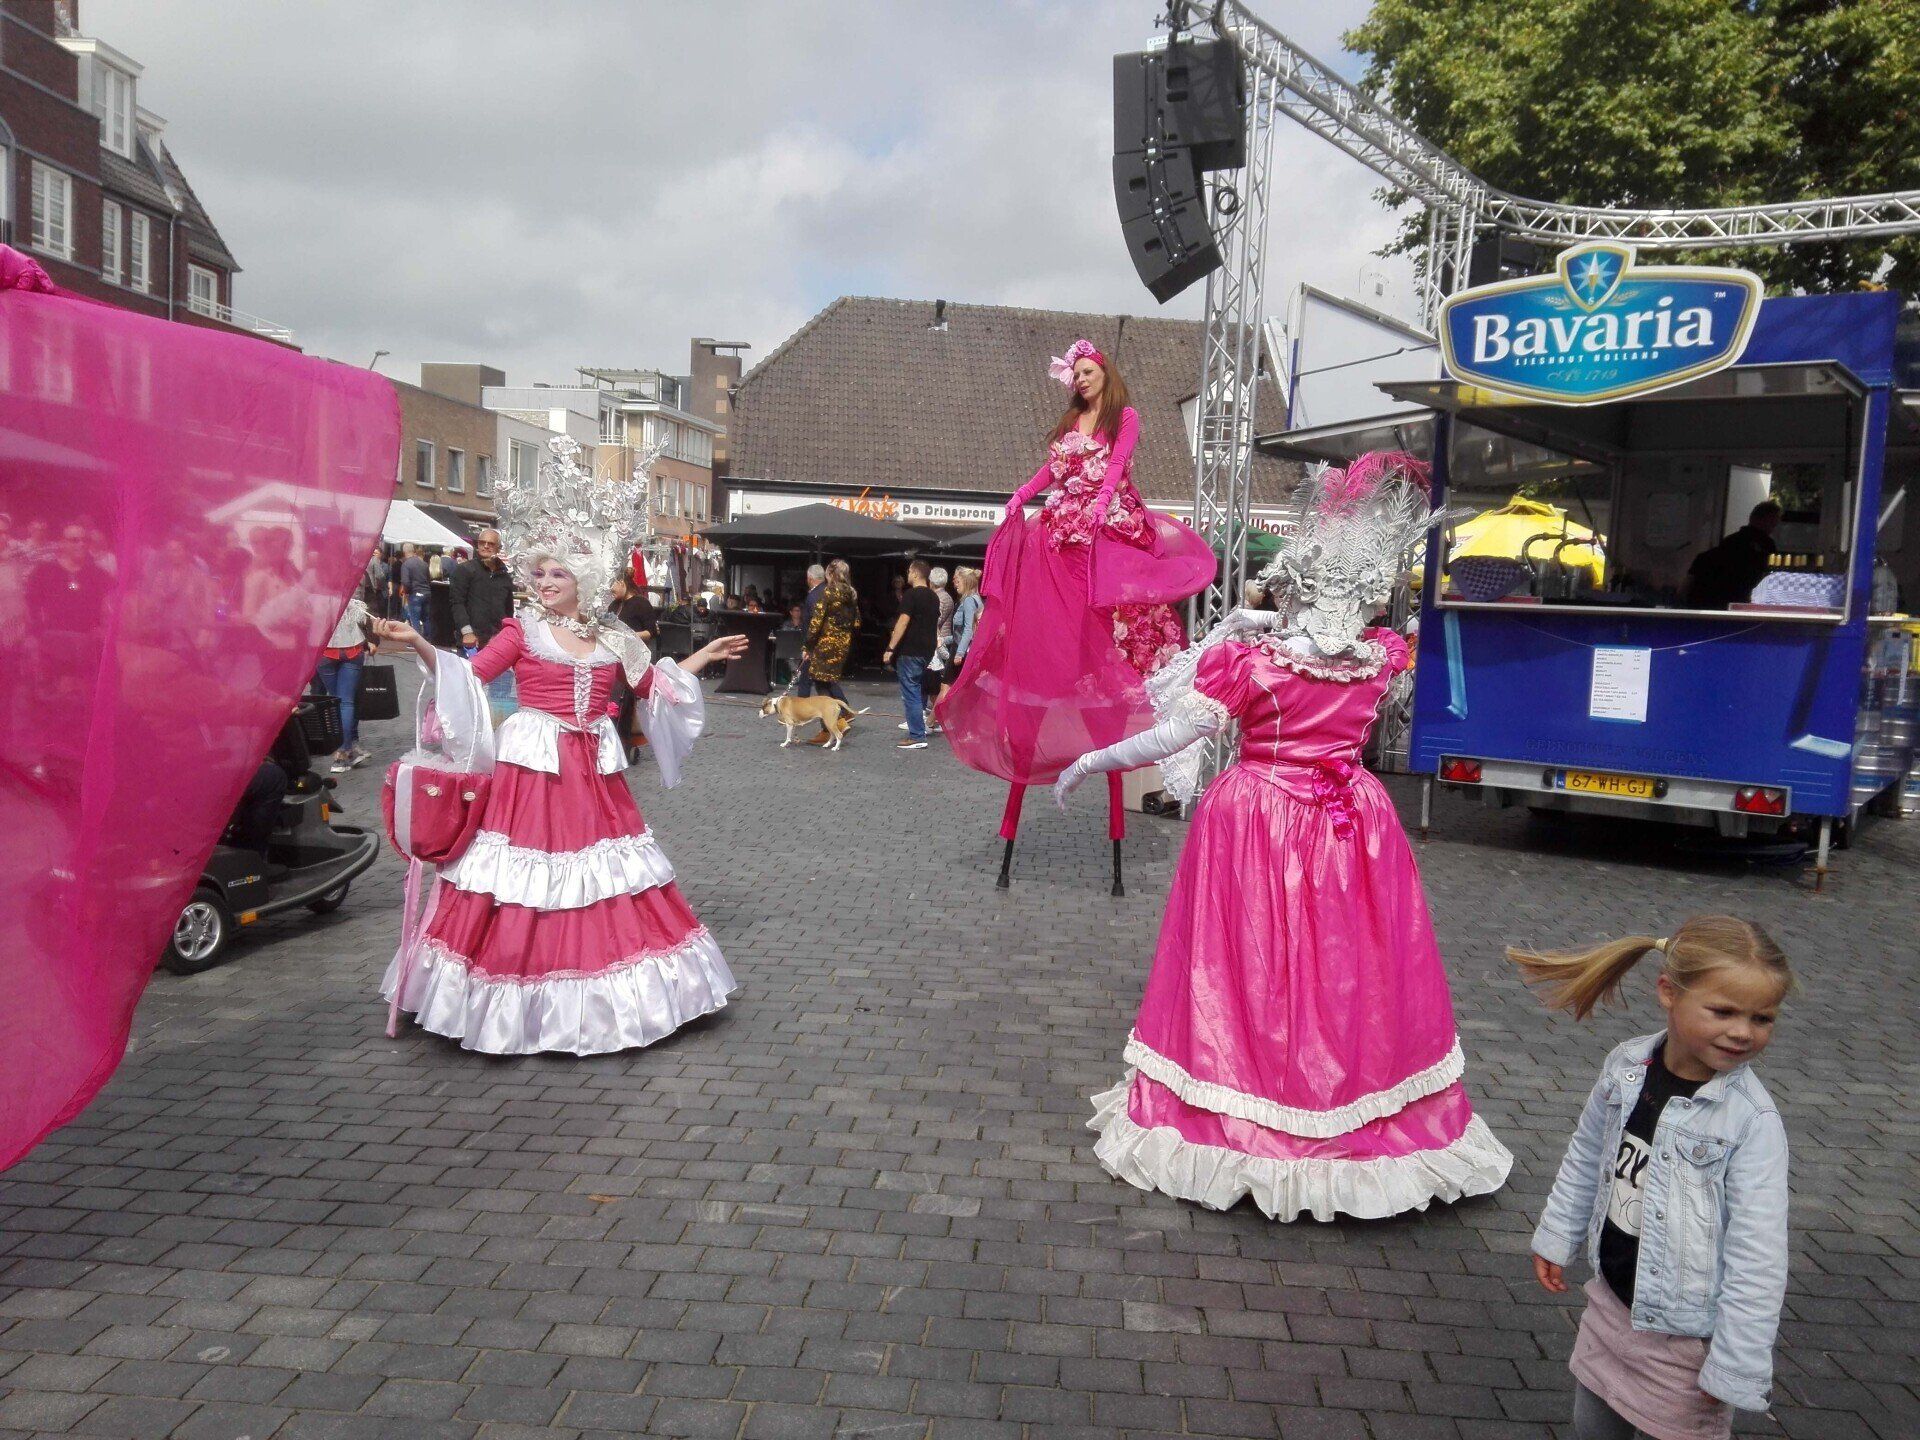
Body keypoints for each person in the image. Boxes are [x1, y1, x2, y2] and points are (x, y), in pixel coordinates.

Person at [1054, 453, 1512, 1219]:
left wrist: (1091, 759)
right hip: (1350, 822)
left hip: (1259, 821)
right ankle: (1349, 1103)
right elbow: (1325, 652)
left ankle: (1249, 1098)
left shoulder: (1249, 664)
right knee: (1350, 965)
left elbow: (1173, 736)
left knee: (1251, 963)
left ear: (1295, 586)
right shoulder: (1379, 658)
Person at [376, 437, 748, 1056]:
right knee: (522, 878)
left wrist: (703, 655)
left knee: (602, 879)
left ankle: (606, 996)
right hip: (532, 772)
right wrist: (417, 642)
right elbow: (470, 676)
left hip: (593, 773)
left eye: (559, 573)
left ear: (587, 579)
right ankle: (503, 996)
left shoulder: (616, 638)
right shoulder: (522, 630)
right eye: (540, 572)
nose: (545, 582)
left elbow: (653, 686)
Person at [1512, 916, 1792, 1440]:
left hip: (1685, 1340)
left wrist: (1734, 1364)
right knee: (1591, 1427)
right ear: (1669, 992)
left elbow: (1759, 1253)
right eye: (1724, 1011)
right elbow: (1588, 1155)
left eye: (1762, 1018)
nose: (1743, 1032)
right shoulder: (1627, 1067)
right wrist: (1557, 1233)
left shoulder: (1751, 1121)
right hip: (1612, 1305)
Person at [317, 574, 374, 772]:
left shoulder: (315, 592)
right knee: (346, 703)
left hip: (325, 651)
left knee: (336, 702)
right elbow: (364, 615)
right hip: (352, 648)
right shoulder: (354, 585)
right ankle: (345, 751)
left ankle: (343, 753)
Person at [884, 560, 940, 751]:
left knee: (911, 692)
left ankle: (917, 735)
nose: (907, 574)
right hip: (927, 649)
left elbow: (903, 622)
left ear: (916, 573)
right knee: (916, 688)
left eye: (909, 571)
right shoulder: (934, 597)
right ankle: (918, 732)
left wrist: (890, 648)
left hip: (910, 649)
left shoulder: (911, 595)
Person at [1685, 500, 1781, 609]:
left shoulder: (1727, 542)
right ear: (1760, 520)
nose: (1773, 529)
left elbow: (1685, 589)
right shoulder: (1766, 546)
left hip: (1709, 604)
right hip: (1742, 603)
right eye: (1772, 524)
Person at [949, 566, 983, 676]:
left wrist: (959, 653)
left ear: (966, 582)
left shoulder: (969, 601)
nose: (956, 584)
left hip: (964, 651)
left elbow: (968, 629)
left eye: (958, 581)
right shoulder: (976, 599)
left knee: (948, 683)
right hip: (968, 649)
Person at [397, 543, 431, 633]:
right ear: (413, 551)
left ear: (404, 552)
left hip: (415, 593)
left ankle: (415, 639)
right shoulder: (424, 563)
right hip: (427, 592)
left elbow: (405, 582)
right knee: (426, 618)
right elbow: (429, 579)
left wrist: (407, 592)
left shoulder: (406, 564)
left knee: (414, 619)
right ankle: (428, 638)